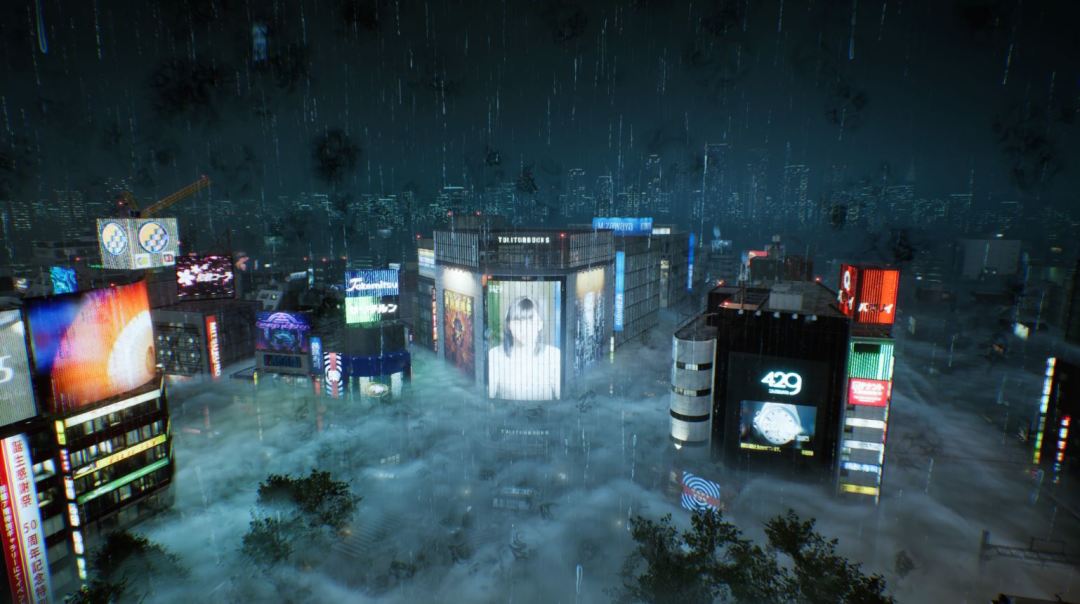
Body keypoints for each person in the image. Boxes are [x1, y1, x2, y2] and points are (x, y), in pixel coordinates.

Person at [488, 296, 561, 400]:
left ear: (540, 324)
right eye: (518, 322)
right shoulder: (495, 355)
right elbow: (487, 398)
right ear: (508, 325)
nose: (524, 328)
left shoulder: (554, 355)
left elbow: (563, 398)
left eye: (530, 321)